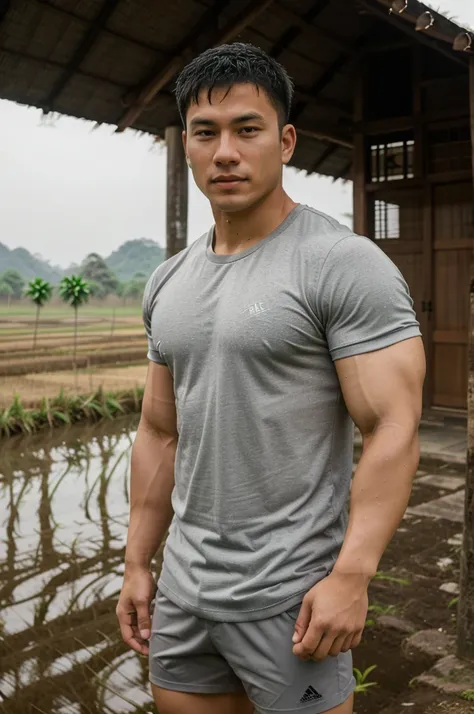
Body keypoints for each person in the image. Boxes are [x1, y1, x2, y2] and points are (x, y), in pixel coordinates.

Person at [116, 42, 425, 714]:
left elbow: (393, 427)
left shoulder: (341, 263)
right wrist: (139, 563)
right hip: (185, 592)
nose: (225, 151)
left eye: (246, 129)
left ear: (284, 141)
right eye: (206, 132)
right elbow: (160, 431)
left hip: (292, 598)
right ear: (188, 146)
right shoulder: (168, 280)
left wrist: (352, 575)